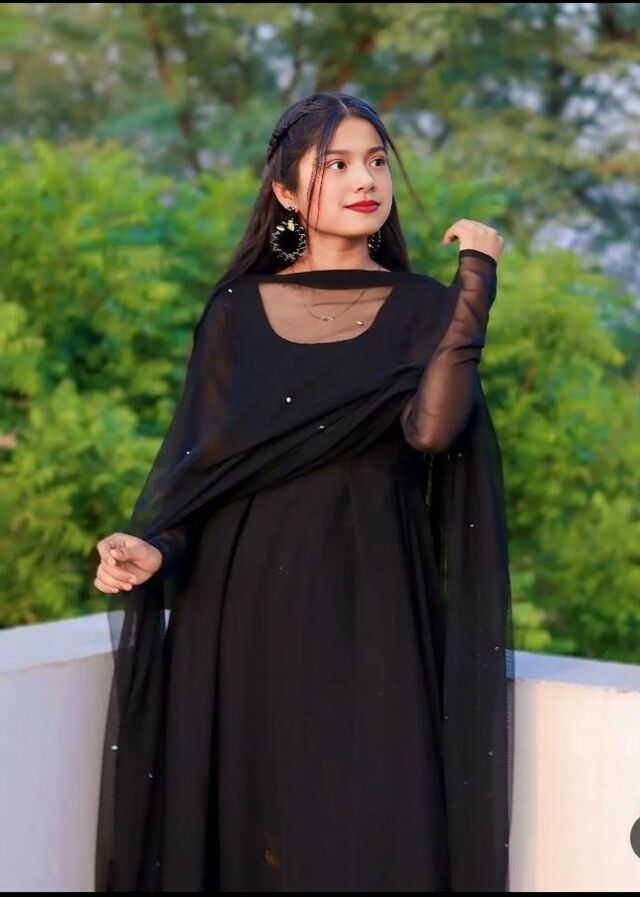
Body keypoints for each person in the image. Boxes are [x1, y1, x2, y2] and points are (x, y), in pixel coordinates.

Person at [93, 91, 513, 893]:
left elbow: (432, 432)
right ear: (286, 192)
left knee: (370, 826)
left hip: (372, 610)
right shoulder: (234, 313)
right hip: (240, 611)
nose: (366, 180)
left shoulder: (425, 306)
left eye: (377, 161)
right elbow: (205, 473)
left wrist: (475, 286)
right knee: (250, 829)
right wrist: (155, 546)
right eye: (338, 163)